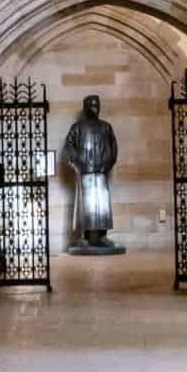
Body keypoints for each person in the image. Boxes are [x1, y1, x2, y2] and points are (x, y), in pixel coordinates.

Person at [62, 94, 124, 253]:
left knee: (102, 205)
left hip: (101, 171)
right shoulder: (77, 127)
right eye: (92, 105)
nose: (95, 107)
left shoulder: (106, 127)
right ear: (85, 107)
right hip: (85, 173)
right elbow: (69, 147)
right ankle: (84, 236)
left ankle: (102, 235)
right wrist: (78, 163)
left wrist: (108, 163)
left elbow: (114, 146)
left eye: (97, 105)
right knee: (85, 205)